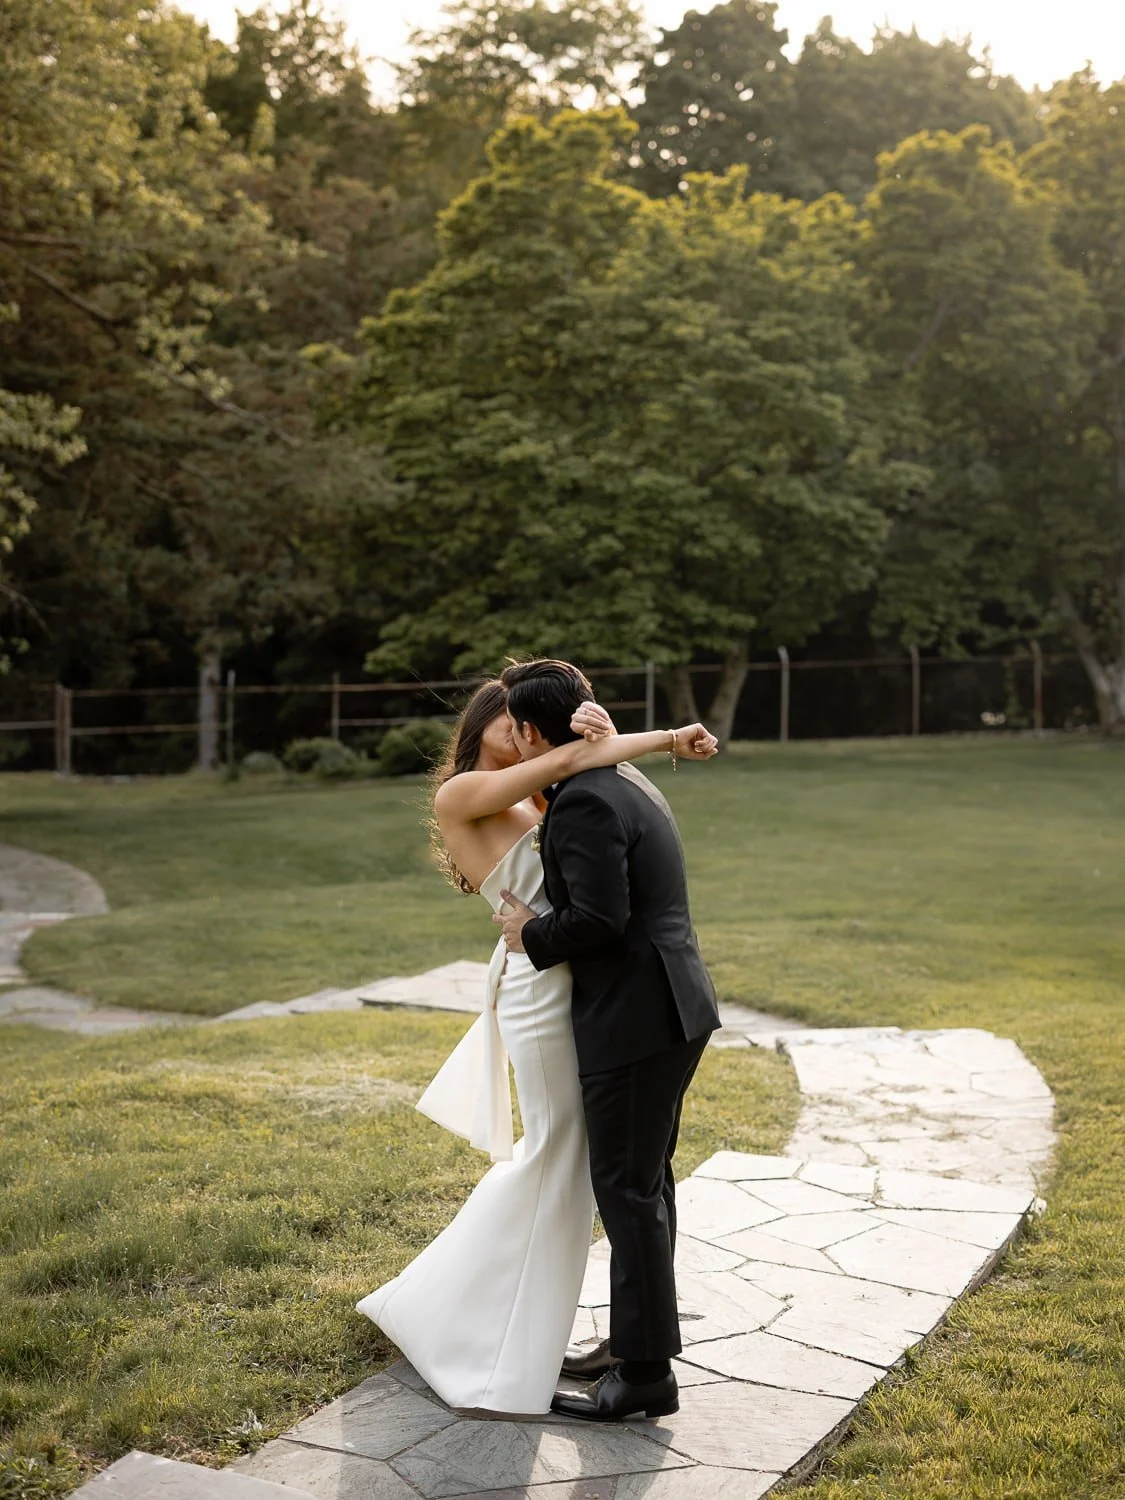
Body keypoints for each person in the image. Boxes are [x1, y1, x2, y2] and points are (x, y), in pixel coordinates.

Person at [356, 670, 718, 1415]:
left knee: (619, 1174)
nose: (514, 731)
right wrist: (656, 738)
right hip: (544, 977)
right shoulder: (467, 792)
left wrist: (614, 739)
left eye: (519, 719)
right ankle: (461, 1311)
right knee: (570, 1159)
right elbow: (574, 765)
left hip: (587, 982)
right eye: (503, 719)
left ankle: (633, 1348)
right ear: (494, 727)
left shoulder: (561, 789)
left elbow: (586, 802)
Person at [494, 659, 722, 1423]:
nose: (510, 742)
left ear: (532, 732)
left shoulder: (585, 801)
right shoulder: (623, 777)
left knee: (626, 1190)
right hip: (673, 1007)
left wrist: (528, 932)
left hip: (635, 1017)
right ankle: (633, 1345)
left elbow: (597, 920)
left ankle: (646, 1377)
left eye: (513, 730)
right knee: (645, 1185)